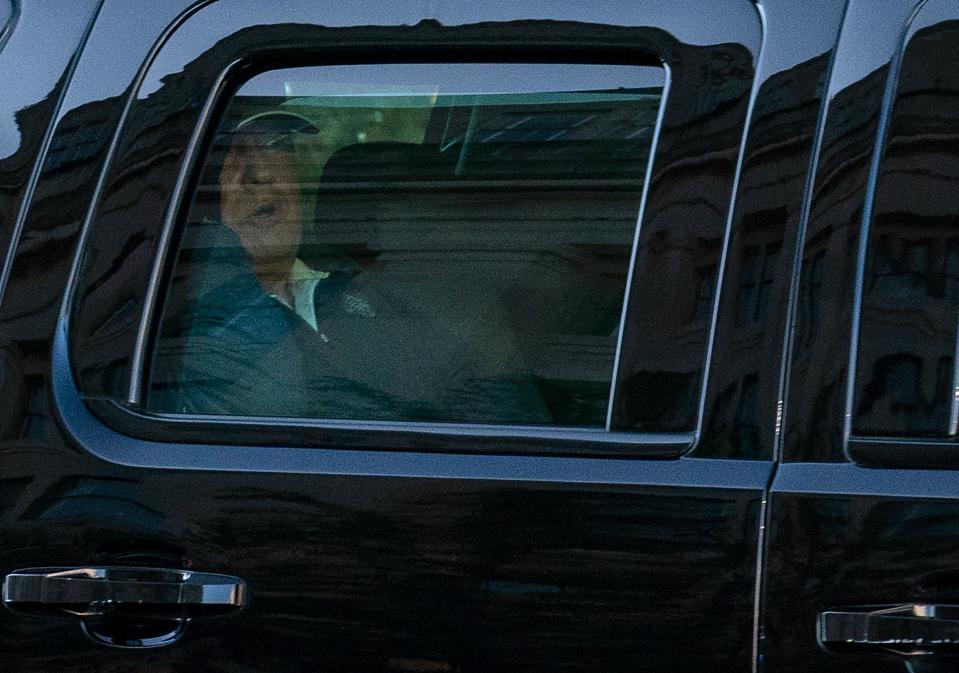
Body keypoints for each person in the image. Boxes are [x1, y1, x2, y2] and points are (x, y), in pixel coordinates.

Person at [149, 109, 551, 424]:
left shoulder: (376, 290)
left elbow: (500, 413)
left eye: (273, 145)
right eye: (225, 152)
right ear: (191, 189)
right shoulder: (175, 319)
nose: (259, 173)